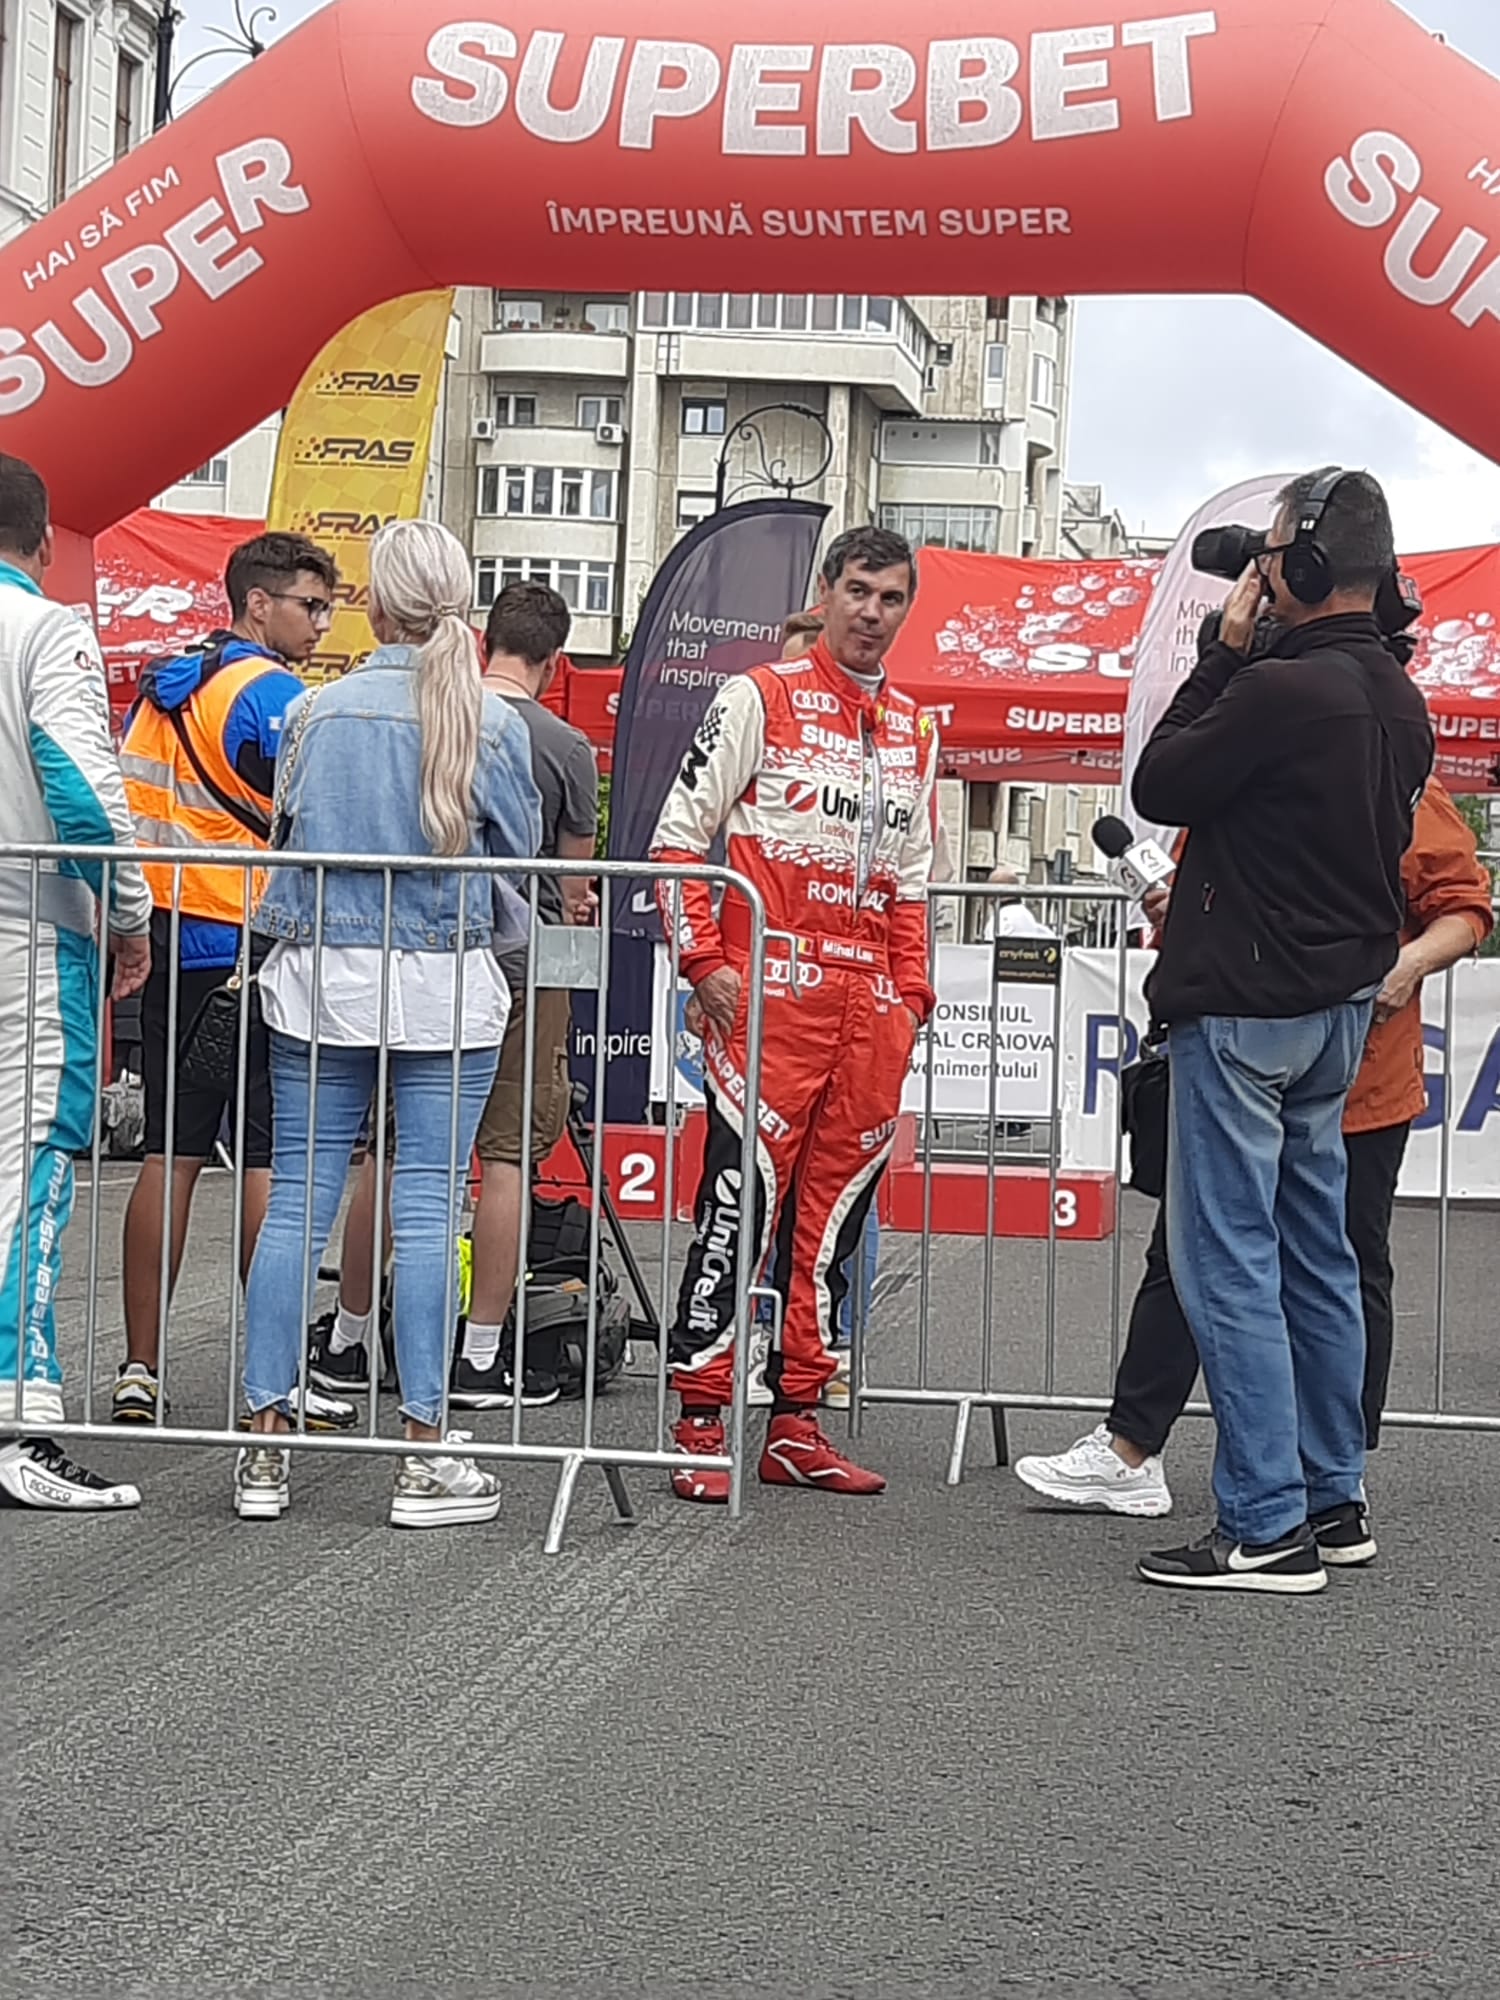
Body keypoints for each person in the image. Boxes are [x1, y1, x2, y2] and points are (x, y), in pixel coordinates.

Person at [1016, 776, 1492, 1518]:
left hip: (1355, 1079)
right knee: (1188, 1255)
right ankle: (1138, 1446)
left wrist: (1404, 969)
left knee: (1339, 1264)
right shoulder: (1236, 767)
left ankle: (1331, 1471)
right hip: (1241, 1065)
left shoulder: (1394, 781)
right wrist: (1179, 913)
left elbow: (1463, 907)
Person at [1126, 467, 1433, 1594]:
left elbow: (1161, 780)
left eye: (1269, 557)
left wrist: (1221, 653)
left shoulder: (1275, 690)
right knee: (1318, 1256)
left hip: (1246, 1008)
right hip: (1337, 1012)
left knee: (1229, 1263)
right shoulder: (1399, 699)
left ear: (1298, 567)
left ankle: (1263, 1524)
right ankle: (1331, 1496)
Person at [235, 519, 541, 1527]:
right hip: (444, 982)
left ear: (375, 605)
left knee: (298, 1204)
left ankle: (264, 1443)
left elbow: (285, 836)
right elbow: (519, 855)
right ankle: (422, 1450)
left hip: (322, 975)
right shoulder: (488, 720)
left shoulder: (315, 711)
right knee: (428, 1207)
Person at [651, 525, 936, 1502]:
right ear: (826, 591)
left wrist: (912, 997)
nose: (872, 613)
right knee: (740, 1208)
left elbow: (913, 883)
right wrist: (703, 963)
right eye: (859, 590)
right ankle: (699, 1416)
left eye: (891, 598)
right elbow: (676, 841)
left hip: (868, 1016)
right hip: (769, 1001)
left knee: (833, 1227)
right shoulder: (758, 695)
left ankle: (797, 1423)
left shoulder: (916, 728)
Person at [114, 532, 337, 1426]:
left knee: (168, 1152)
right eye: (310, 606)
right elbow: (314, 813)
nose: (322, 625)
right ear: (257, 604)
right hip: (254, 945)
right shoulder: (272, 695)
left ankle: (139, 1369)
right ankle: (272, 1380)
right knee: (266, 1159)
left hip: (167, 936)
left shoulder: (165, 691)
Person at [0, 453, 151, 1509]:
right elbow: (84, 797)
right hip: (29, 931)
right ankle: (18, 1416)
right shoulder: (46, 629)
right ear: (45, 540)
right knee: (30, 1161)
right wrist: (130, 914)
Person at [450, 581, 599, 1410]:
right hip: (527, 957)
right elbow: (576, 887)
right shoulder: (566, 745)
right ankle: (481, 1355)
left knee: (401, 1157)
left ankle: (360, 1338)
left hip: (431, 951)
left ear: (484, 641)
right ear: (555, 660)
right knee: (505, 1156)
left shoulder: (438, 717)